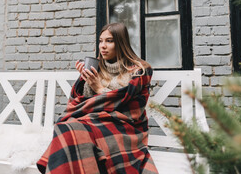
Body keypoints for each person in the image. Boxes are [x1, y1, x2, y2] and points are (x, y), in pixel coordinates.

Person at [37, 23, 158, 174]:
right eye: (101, 41)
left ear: (121, 43)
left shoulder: (139, 70)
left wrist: (99, 88)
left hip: (125, 127)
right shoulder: (97, 68)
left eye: (109, 41)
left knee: (70, 129)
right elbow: (80, 102)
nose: (103, 46)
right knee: (66, 127)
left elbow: (128, 106)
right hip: (95, 120)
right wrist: (85, 80)